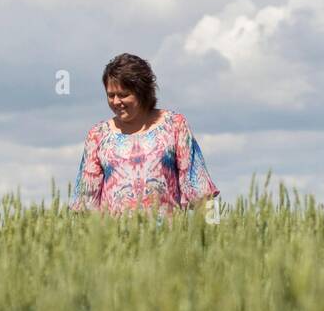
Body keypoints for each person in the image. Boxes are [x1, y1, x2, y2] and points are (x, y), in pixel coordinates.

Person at [70, 53, 218, 214]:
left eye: (124, 95)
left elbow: (201, 191)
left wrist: (214, 234)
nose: (116, 102)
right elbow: (85, 202)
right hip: (115, 237)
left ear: (142, 92)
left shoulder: (175, 125)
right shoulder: (97, 135)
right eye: (111, 95)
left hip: (168, 236)